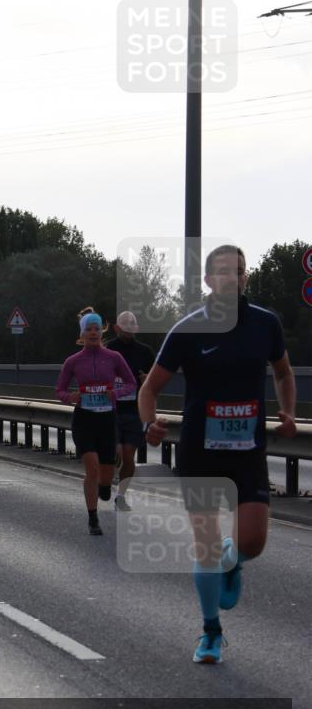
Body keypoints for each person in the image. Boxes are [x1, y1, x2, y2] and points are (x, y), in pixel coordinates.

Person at [139, 245, 297, 664]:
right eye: (224, 272)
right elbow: (149, 389)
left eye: (240, 272)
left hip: (247, 452)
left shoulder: (265, 324)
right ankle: (211, 632)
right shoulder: (188, 330)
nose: (233, 278)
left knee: (253, 542)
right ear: (208, 281)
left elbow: (283, 371)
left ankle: (234, 559)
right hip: (200, 452)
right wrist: (148, 423)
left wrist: (288, 410)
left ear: (246, 279)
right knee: (206, 545)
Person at [56, 308, 137, 535]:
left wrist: (117, 394)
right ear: (82, 334)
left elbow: (132, 384)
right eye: (88, 330)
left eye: (96, 329)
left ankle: (105, 486)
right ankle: (93, 518)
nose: (92, 333)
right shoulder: (73, 361)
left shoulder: (114, 358)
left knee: (106, 473)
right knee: (91, 467)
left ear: (102, 331)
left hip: (106, 419)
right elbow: (59, 390)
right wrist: (70, 397)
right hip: (84, 419)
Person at [105, 311, 155, 511]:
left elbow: (156, 380)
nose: (128, 326)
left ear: (137, 327)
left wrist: (147, 381)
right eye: (124, 323)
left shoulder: (145, 352)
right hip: (111, 410)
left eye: (132, 323)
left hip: (135, 411)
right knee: (114, 452)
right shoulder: (108, 350)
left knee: (128, 456)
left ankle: (121, 495)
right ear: (117, 327)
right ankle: (105, 481)